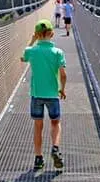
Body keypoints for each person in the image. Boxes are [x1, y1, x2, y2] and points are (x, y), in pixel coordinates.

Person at [21, 19, 67, 171]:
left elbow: (23, 57)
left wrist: (32, 40)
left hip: (36, 94)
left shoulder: (31, 51)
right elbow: (63, 74)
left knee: (38, 125)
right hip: (53, 94)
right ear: (52, 34)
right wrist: (62, 89)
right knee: (55, 122)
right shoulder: (58, 52)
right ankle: (55, 148)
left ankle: (39, 159)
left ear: (37, 35)